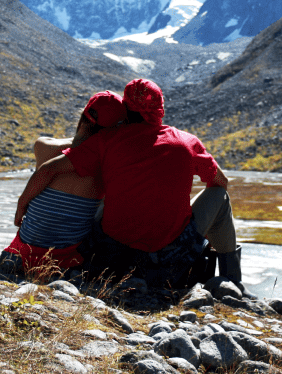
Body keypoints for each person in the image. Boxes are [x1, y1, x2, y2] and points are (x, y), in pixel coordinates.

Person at [26, 78, 241, 288]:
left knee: (102, 194)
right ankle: (232, 280)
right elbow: (220, 182)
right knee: (219, 196)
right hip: (169, 262)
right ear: (160, 108)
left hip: (112, 260)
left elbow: (53, 166)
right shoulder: (187, 142)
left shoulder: (107, 140)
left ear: (126, 108)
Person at [0, 91, 126, 280]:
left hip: (18, 256)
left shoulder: (43, 147)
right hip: (65, 263)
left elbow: (50, 161)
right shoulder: (107, 165)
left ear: (82, 117)